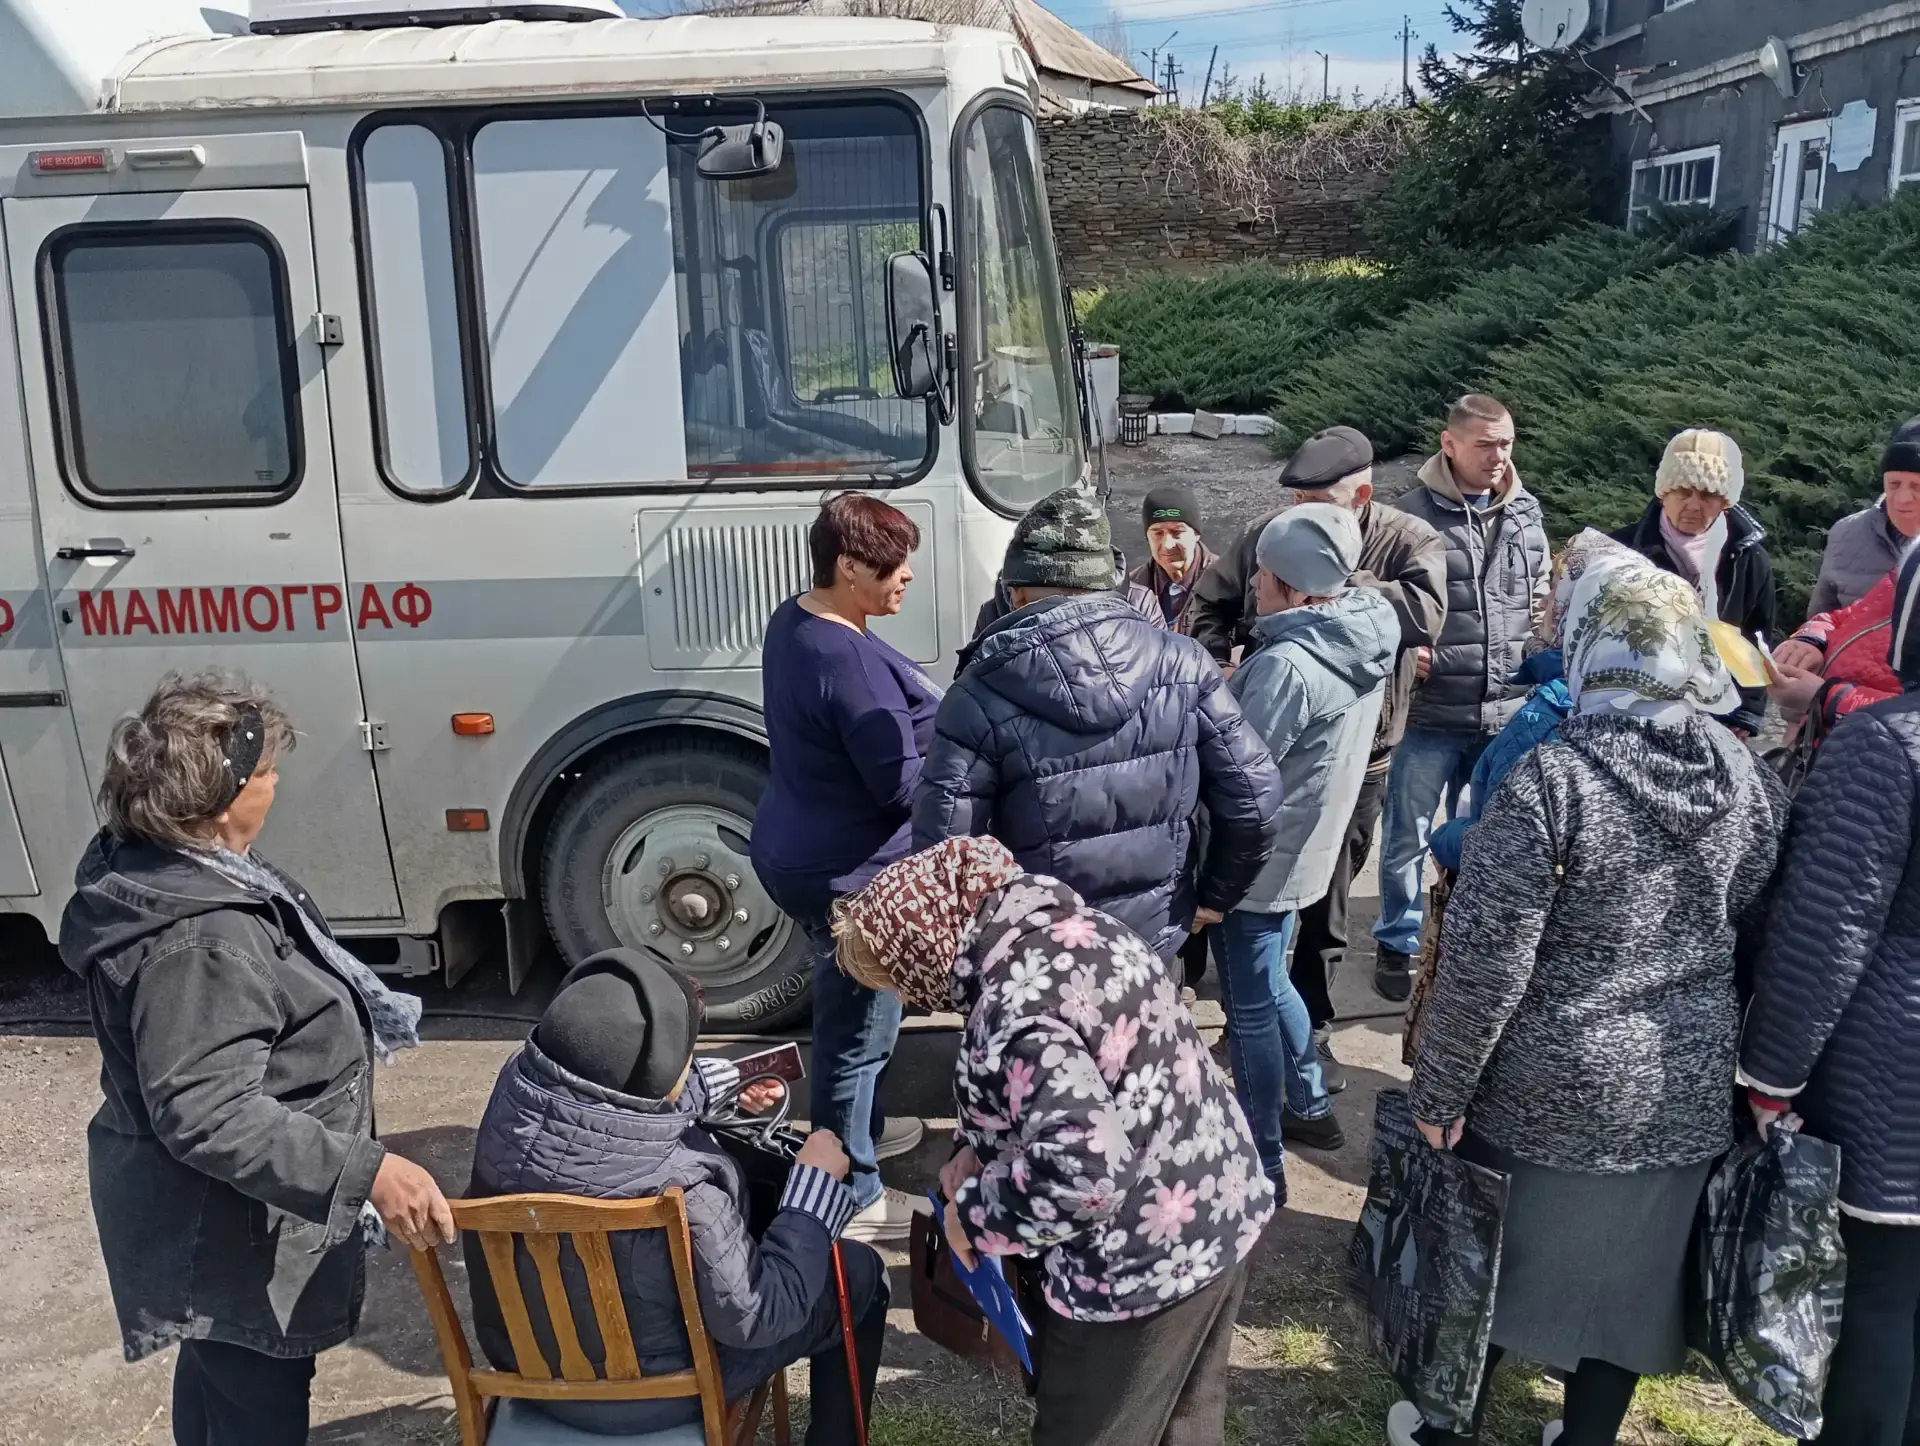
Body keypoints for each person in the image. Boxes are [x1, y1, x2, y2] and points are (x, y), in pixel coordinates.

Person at [1393, 561, 1787, 1446]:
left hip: (1545, 1077)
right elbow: (1764, 930)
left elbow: (1487, 961)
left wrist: (1441, 1092)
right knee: (1627, 1291)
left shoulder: (1553, 778)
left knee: (1492, 1265)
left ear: (1588, 646)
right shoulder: (1746, 778)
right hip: (1679, 1083)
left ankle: (1444, 1431)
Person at [57, 671, 454, 1446]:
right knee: (255, 1398)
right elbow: (209, 1114)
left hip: (220, 1224)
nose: (276, 783)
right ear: (221, 800)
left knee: (221, 1379)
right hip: (226, 1234)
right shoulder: (201, 941)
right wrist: (367, 1171)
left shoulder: (178, 870)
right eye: (266, 771)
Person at [831, 837, 1278, 1446]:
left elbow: (1086, 1174)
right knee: (1186, 1421)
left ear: (923, 955)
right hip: (1219, 1200)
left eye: (896, 982)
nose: (907, 999)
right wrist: (977, 1147)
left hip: (1139, 1262)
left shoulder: (1013, 1012)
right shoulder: (1079, 929)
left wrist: (974, 1218)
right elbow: (1085, 1081)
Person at [465, 949, 884, 1443]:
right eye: (686, 1059)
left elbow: (598, 1114)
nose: (687, 1065)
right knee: (859, 1272)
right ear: (659, 1074)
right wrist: (813, 1191)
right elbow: (758, 1316)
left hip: (527, 1368)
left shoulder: (512, 1110)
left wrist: (727, 1078)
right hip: (659, 1395)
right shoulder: (686, 1189)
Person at [913, 485, 1281, 962]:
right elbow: (1255, 797)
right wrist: (1214, 897)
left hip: (1036, 957)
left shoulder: (980, 690)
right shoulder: (1184, 662)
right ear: (1109, 583)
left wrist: (969, 953)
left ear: (1015, 592)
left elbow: (945, 850)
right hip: (1152, 943)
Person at [1188, 425, 1448, 1088]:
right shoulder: (1271, 534)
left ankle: (1313, 1037)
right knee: (1263, 909)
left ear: (1360, 496)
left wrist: (1332, 577)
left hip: (1363, 759)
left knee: (1326, 911)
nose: (1301, 512)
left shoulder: (1409, 539)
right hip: (1274, 737)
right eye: (1297, 500)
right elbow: (1211, 602)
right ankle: (1264, 1037)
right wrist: (1219, 667)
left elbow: (1425, 615)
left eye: (1317, 502)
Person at [1742, 540, 1920, 1446]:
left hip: (1892, 1067)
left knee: (1880, 1292)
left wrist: (1771, 1074)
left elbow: (1824, 930)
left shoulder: (1885, 743)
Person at [751, 492, 937, 1241]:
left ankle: (864, 1130)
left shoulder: (796, 619)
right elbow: (899, 787)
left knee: (861, 1018)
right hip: (849, 878)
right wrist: (963, 755)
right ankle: (851, 1190)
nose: (907, 576)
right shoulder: (847, 659)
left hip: (799, 845)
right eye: (892, 565)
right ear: (849, 566)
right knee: (858, 1034)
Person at [1214, 505, 1398, 1162]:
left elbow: (1238, 778)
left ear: (1293, 587)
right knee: (1273, 983)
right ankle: (1311, 1107)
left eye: (1263, 571)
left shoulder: (1289, 666)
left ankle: (1261, 1156)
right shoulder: (1362, 634)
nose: (1252, 582)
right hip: (1304, 854)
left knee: (1250, 1008)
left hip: (1256, 865)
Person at [1373, 394, 1549, 1003]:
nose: (1499, 456)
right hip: (1431, 712)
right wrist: (1405, 652)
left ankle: (1463, 938)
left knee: (1488, 835)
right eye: (1485, 444)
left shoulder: (1526, 513)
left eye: (1506, 443)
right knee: (1407, 836)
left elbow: (1540, 598)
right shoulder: (1409, 518)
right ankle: (1397, 941)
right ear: (1449, 445)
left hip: (1506, 714)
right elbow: (1378, 602)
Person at [1426, 530, 1636, 874]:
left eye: (1555, 590)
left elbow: (1501, 837)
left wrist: (1445, 839)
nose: (1543, 602)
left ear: (1579, 607)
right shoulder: (1661, 705)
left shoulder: (1546, 715)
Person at [1610, 429, 1775, 736]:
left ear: (1726, 501)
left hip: (1720, 715)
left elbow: (1756, 637)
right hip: (1633, 711)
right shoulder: (1622, 550)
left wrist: (1746, 715)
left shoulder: (1749, 558)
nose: (1694, 505)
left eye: (1708, 494)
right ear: (1664, 493)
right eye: (1683, 491)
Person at [1805, 413, 1920, 617]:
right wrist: (1812, 634)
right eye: (1894, 484)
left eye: (1917, 486)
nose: (1902, 499)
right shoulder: (1846, 534)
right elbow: (1821, 619)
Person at [1130, 485, 1218, 635]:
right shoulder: (1133, 589)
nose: (1167, 545)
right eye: (1158, 533)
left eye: (1177, 532)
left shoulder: (1225, 582)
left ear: (1196, 534)